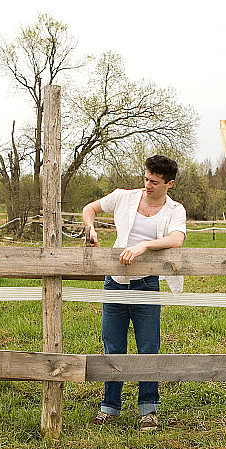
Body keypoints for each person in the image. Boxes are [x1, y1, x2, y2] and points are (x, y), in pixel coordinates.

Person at [82, 155, 187, 431]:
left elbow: (177, 238)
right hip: (114, 283)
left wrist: (144, 246)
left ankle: (148, 410)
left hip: (146, 284)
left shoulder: (175, 209)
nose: (148, 186)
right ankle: (109, 407)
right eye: (146, 179)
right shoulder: (124, 197)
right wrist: (90, 228)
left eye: (155, 182)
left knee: (148, 348)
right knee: (113, 346)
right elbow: (90, 208)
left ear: (169, 184)